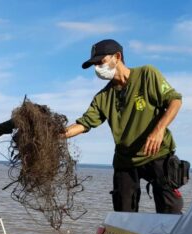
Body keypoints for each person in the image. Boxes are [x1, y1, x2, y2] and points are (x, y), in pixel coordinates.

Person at [64, 39, 184, 213]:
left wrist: (158, 131)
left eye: (101, 62)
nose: (97, 68)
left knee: (170, 212)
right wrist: (53, 134)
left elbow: (175, 100)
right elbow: (83, 124)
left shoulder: (146, 74)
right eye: (95, 65)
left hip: (157, 153)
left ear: (117, 57)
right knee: (123, 216)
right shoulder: (103, 97)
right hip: (125, 161)